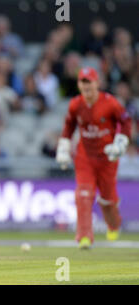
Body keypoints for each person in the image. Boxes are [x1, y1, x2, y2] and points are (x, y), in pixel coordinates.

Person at [56, 67, 132, 249]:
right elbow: (68, 127)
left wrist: (120, 143)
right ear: (79, 85)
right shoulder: (75, 105)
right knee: (83, 194)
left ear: (97, 83)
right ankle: (84, 237)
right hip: (85, 157)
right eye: (83, 82)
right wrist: (64, 149)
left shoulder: (111, 103)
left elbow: (126, 122)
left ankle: (113, 224)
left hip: (107, 158)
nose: (86, 86)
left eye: (89, 82)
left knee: (108, 199)